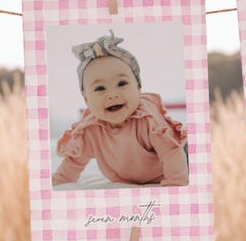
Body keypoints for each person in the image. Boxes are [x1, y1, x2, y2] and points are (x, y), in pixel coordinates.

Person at [52, 31, 189, 187]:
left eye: (122, 84)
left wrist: (176, 183)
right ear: (86, 100)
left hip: (181, 159)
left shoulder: (148, 119)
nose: (112, 94)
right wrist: (58, 181)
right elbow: (74, 162)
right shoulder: (90, 129)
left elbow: (171, 151)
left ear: (138, 87)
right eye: (100, 88)